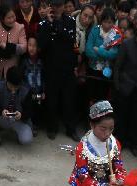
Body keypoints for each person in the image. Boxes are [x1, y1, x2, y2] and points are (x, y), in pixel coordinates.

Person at [38, 0, 79, 140]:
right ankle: (52, 127)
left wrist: (55, 24)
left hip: (67, 68)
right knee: (52, 100)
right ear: (50, 6)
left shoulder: (71, 21)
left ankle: (70, 129)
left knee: (69, 100)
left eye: (59, 5)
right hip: (51, 68)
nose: (57, 8)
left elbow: (70, 40)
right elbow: (41, 44)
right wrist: (49, 23)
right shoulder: (43, 24)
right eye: (54, 5)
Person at [0, 66, 32, 151]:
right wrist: (1, 111)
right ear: (7, 80)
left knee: (26, 140)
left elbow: (30, 110)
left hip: (19, 120)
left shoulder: (26, 90)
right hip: (3, 117)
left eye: (16, 87)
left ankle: (16, 133)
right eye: (11, 86)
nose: (13, 89)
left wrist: (22, 114)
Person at [84, 7, 122, 102]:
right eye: (105, 21)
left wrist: (98, 50)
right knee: (90, 97)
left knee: (102, 98)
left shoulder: (116, 35)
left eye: (110, 22)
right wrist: (104, 54)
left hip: (106, 71)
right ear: (101, 21)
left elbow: (113, 54)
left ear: (113, 22)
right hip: (93, 69)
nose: (107, 25)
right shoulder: (95, 30)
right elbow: (88, 50)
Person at [0, 3, 26, 80]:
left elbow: (23, 48)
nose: (12, 20)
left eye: (13, 16)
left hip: (14, 70)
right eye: (9, 18)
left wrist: (7, 46)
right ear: (2, 18)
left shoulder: (20, 27)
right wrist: (12, 50)